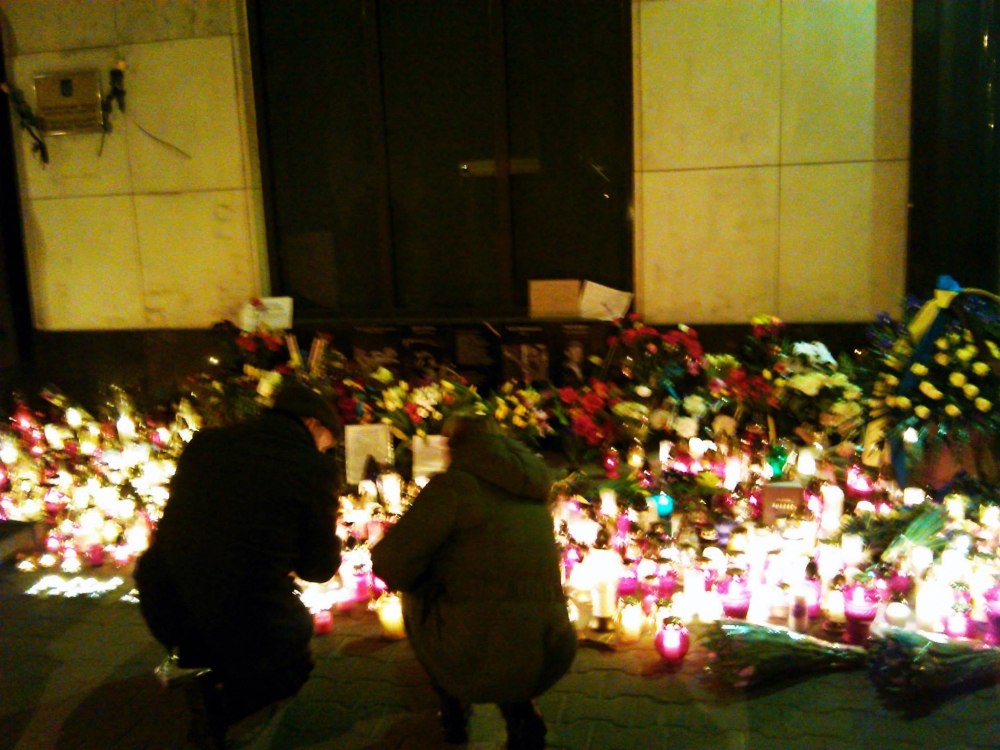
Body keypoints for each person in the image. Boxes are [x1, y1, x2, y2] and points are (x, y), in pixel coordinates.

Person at [134, 381, 342, 748]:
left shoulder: (207, 443)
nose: (325, 450)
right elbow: (318, 568)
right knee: (293, 649)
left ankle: (206, 676)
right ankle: (229, 707)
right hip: (241, 613)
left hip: (164, 597)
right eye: (327, 442)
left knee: (217, 615)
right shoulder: (311, 467)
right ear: (312, 424)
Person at [371, 415, 576, 750]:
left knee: (418, 596)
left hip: (477, 653)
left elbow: (391, 563)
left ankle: (452, 708)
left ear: (454, 446)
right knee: (504, 607)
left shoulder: (453, 487)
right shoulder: (531, 485)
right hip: (551, 647)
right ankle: (520, 713)